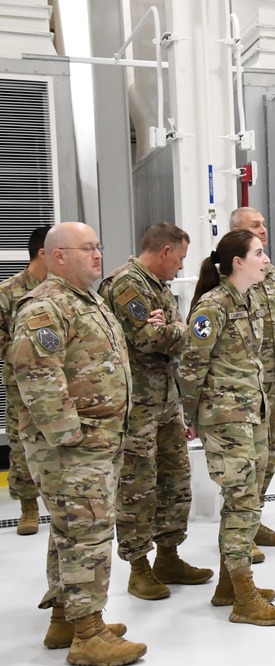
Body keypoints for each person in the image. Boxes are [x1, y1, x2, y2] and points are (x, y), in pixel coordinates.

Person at [10, 222, 146, 664]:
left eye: (98, 246)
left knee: (71, 531)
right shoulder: (44, 308)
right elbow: (37, 375)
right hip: (72, 448)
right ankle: (88, 636)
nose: (98, 254)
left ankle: (67, 619)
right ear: (58, 257)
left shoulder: (87, 301)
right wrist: (73, 436)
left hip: (96, 441)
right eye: (87, 248)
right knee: (88, 532)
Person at [178, 229, 275, 626]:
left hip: (252, 413)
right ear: (238, 263)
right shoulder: (213, 306)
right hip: (226, 420)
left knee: (247, 497)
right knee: (242, 499)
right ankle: (245, 598)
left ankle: (229, 584)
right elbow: (191, 367)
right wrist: (190, 416)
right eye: (259, 253)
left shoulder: (248, 300)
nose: (266, 258)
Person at [98, 222, 213, 600]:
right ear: (165, 252)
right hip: (135, 408)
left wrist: (174, 328)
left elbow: (173, 334)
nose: (180, 268)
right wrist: (177, 330)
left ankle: (168, 556)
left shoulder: (157, 286)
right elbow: (151, 339)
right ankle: (138, 567)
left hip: (165, 402)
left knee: (175, 482)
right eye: (179, 259)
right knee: (137, 487)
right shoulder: (127, 284)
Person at [229, 207, 275, 554]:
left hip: (271, 379)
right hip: (242, 385)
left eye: (264, 224)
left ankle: (253, 521)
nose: (264, 229)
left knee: (269, 453)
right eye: (256, 226)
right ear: (238, 232)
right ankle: (239, 533)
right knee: (245, 460)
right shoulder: (230, 274)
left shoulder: (269, 271)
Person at [1, 225, 49, 535]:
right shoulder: (9, 291)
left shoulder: (64, 289)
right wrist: (24, 353)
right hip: (22, 382)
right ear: (44, 253)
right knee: (21, 444)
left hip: (63, 381)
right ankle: (28, 506)